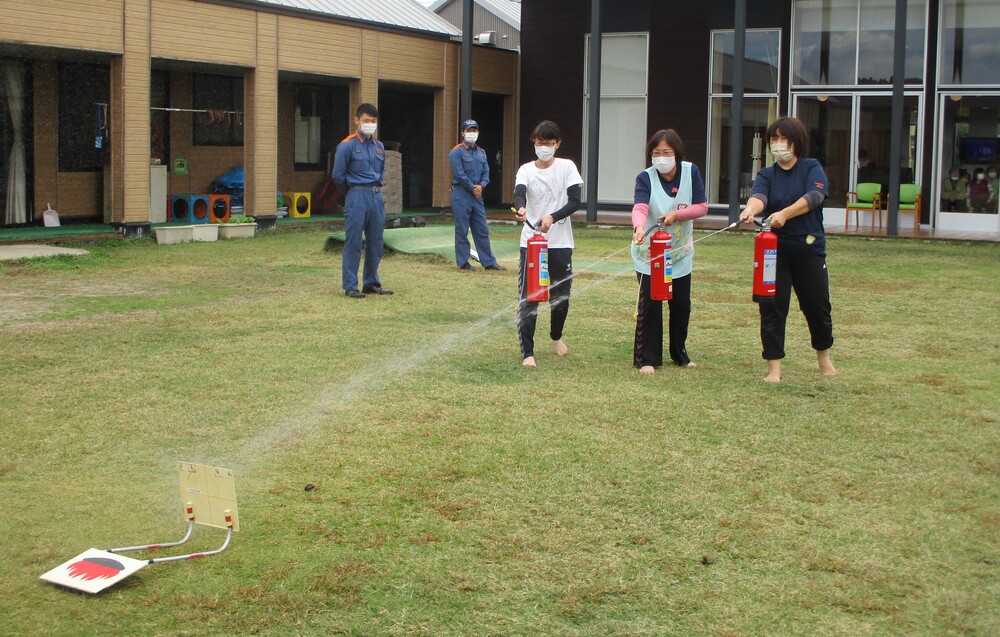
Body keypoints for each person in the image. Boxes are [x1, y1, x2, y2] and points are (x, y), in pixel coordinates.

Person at [738, 116, 837, 383]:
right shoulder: (766, 174)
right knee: (771, 306)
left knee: (817, 306)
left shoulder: (811, 167)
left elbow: (814, 198)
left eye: (784, 139)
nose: (779, 145)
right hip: (774, 252)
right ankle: (774, 368)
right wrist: (750, 209)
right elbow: (760, 197)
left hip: (809, 250)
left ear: (796, 142)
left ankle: (823, 356)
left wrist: (784, 214)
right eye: (774, 139)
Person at [630, 129, 708, 374]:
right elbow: (640, 207)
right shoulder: (645, 177)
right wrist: (639, 227)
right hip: (649, 252)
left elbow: (702, 207)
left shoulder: (690, 172)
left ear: (677, 154)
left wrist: (678, 214)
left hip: (680, 252)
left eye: (666, 152)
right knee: (652, 305)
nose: (661, 157)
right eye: (656, 153)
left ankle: (679, 353)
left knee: (681, 304)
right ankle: (648, 359)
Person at [512, 120, 583, 368]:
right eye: (540, 143)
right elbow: (519, 192)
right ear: (534, 142)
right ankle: (527, 352)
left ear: (557, 144)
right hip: (531, 243)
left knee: (560, 296)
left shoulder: (567, 167)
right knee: (530, 296)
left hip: (560, 242)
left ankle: (556, 337)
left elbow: (575, 201)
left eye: (549, 143)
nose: (544, 147)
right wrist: (521, 207)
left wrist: (552, 217)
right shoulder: (526, 170)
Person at [332, 103, 393, 298]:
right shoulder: (347, 145)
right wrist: (351, 193)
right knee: (354, 241)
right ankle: (350, 285)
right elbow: (338, 176)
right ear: (357, 120)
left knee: (376, 241)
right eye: (366, 121)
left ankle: (371, 282)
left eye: (373, 121)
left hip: (376, 196)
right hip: (356, 194)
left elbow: (380, 172)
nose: (370, 124)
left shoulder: (379, 146)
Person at [449, 119, 505, 271]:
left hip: (477, 195)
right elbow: (459, 174)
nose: (472, 133)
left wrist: (482, 185)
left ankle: (489, 262)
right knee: (462, 229)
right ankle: (463, 262)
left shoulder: (481, 152)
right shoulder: (456, 151)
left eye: (474, 130)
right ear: (463, 133)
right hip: (462, 193)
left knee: (482, 228)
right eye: (469, 130)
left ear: (478, 132)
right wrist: (472, 187)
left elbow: (486, 171)